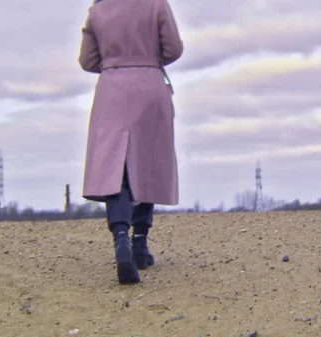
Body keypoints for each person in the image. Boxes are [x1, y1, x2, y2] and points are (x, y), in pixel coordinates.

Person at [78, 0, 183, 284]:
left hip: (112, 89)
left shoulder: (97, 11)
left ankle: (121, 237)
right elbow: (173, 49)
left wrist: (115, 63)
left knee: (116, 167)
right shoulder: (155, 4)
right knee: (146, 163)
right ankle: (140, 245)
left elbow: (87, 61)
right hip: (149, 86)